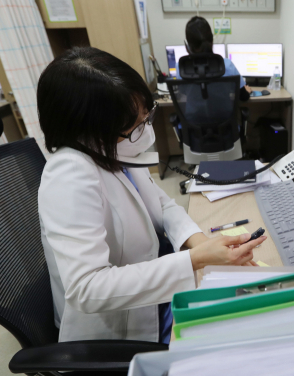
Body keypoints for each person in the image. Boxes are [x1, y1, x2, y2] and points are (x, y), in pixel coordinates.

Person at [36, 47, 266, 344]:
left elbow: (160, 203)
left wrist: (200, 244)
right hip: (122, 325)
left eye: (146, 117)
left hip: (156, 291)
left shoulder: (112, 150)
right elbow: (86, 289)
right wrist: (194, 260)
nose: (144, 132)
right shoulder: (68, 176)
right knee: (244, 334)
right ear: (88, 129)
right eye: (133, 127)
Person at [178, 16, 252, 102]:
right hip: (224, 115)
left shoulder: (182, 68)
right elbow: (243, 97)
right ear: (212, 40)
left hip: (192, 115)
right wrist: (247, 91)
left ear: (187, 46)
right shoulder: (227, 65)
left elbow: (183, 92)